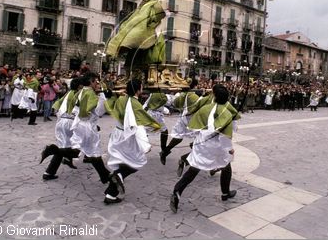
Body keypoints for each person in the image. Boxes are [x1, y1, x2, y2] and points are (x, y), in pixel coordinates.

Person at [170, 84, 237, 213]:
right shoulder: (228, 113)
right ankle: (225, 193)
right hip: (217, 146)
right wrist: (229, 149)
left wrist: (200, 137)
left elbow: (194, 127)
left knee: (194, 169)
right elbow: (226, 136)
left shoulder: (205, 108)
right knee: (226, 166)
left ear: (215, 96)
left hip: (201, 144)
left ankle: (177, 190)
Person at [102, 79, 161, 204]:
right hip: (128, 136)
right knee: (137, 161)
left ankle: (111, 194)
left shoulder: (121, 99)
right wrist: (146, 143)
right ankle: (119, 175)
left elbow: (111, 107)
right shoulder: (135, 104)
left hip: (117, 133)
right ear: (138, 90)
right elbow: (140, 123)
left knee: (120, 162)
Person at [159, 78, 211, 165]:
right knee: (202, 138)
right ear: (194, 86)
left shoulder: (183, 94)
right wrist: (207, 96)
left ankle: (165, 151)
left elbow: (175, 103)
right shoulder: (192, 96)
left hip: (183, 118)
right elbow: (201, 106)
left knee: (178, 138)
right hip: (192, 120)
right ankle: (187, 159)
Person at [40, 78, 82, 180]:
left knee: (63, 147)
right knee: (77, 148)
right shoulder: (78, 95)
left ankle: (49, 172)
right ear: (79, 86)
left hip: (62, 121)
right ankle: (54, 151)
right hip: (70, 122)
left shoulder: (68, 93)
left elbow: (57, 104)